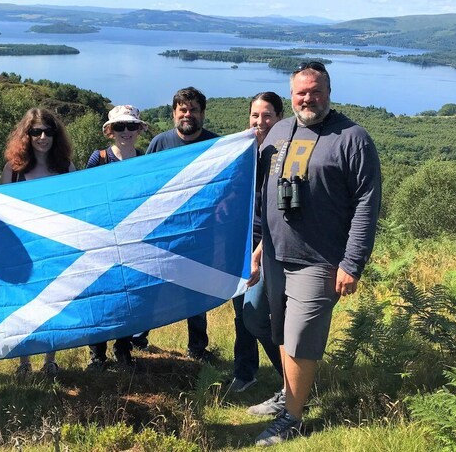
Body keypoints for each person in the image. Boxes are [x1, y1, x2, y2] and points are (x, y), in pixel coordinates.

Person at [251, 62, 381, 447]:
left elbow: (366, 204)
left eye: (316, 91)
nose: (308, 99)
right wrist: (257, 248)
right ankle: (288, 395)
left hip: (320, 258)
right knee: (276, 328)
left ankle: (292, 417)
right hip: (275, 252)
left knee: (300, 337)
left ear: (329, 91)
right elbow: (262, 196)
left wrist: (352, 263)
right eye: (300, 92)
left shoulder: (352, 138)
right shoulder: (277, 130)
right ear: (291, 95)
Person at [131, 87, 218, 361]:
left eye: (193, 109)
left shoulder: (217, 146)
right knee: (153, 286)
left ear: (202, 114)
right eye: (182, 109)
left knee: (196, 290)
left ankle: (197, 348)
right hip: (163, 232)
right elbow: (144, 184)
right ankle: (138, 339)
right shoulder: (159, 143)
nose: (187, 114)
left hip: (200, 234)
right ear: (174, 113)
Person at [0, 107, 75, 376]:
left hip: (55, 247)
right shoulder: (13, 170)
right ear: (26, 135)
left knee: (52, 304)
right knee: (24, 306)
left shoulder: (66, 168)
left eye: (48, 132)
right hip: (23, 249)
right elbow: (2, 212)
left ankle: (50, 360)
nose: (42, 137)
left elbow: (74, 206)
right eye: (36, 132)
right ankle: (23, 362)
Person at [227, 92, 285, 394]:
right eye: (255, 115)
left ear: (279, 118)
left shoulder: (281, 157)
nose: (260, 121)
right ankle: (245, 372)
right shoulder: (247, 153)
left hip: (268, 249)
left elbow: (278, 218)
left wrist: (258, 257)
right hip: (241, 246)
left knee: (255, 317)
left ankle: (294, 384)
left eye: (267, 115)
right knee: (244, 317)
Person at [84, 105, 148, 370]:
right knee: (101, 294)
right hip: (102, 238)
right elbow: (86, 195)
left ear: (138, 130)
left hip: (133, 238)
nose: (126, 132)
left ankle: (123, 348)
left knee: (127, 296)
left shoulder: (145, 159)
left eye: (131, 126)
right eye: (119, 127)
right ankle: (97, 354)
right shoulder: (98, 158)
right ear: (110, 132)